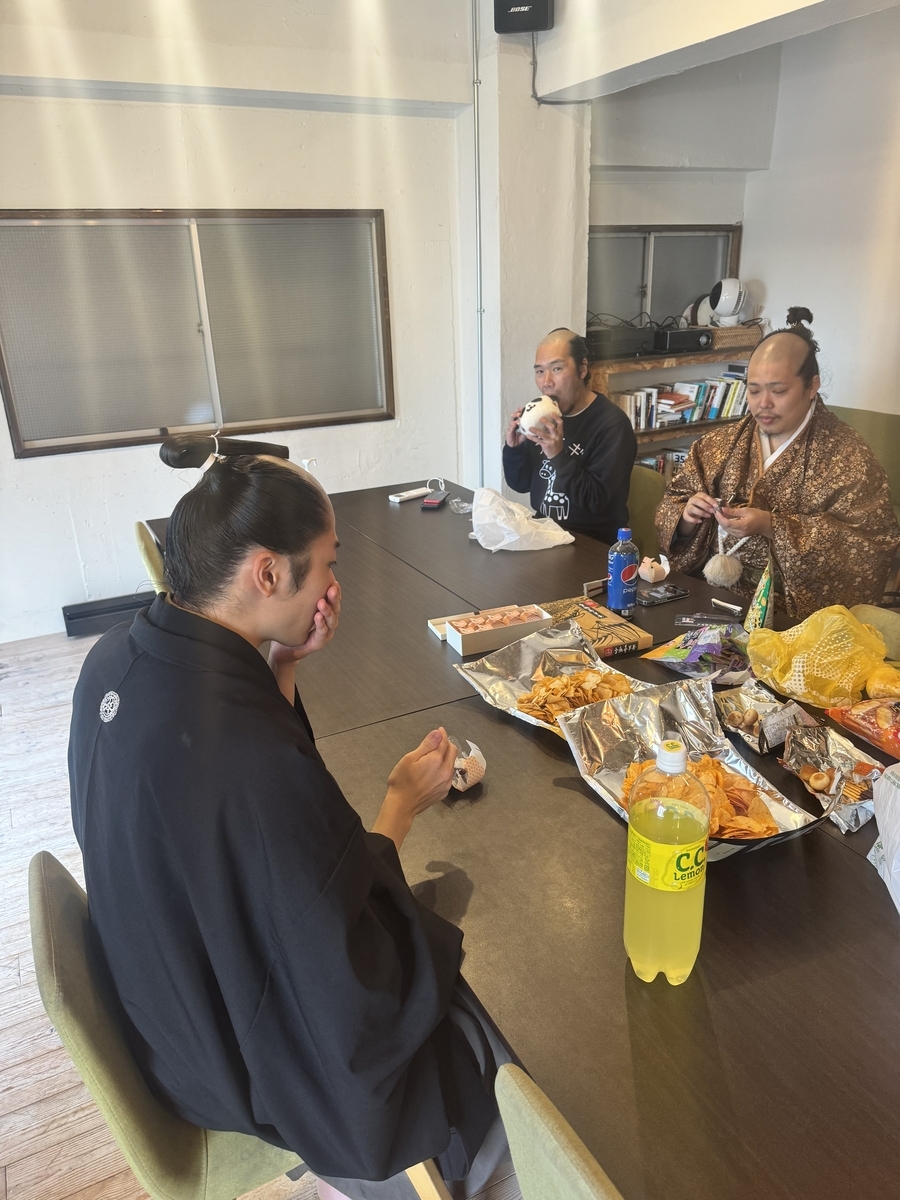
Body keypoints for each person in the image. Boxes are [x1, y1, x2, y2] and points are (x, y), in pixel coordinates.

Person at [69, 448, 518, 1200]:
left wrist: (282, 663)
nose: (336, 587)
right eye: (328, 565)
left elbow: (244, 839)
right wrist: (400, 805)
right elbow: (340, 949)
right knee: (475, 1027)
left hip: (166, 991)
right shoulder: (247, 758)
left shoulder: (113, 657)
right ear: (268, 573)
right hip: (224, 1057)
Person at [655, 307, 900, 619]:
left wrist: (773, 526)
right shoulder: (717, 445)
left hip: (792, 617)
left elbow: (870, 547)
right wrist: (688, 517)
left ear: (812, 386)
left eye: (778, 391)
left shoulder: (849, 457)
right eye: (754, 390)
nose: (763, 404)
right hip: (710, 596)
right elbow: (672, 504)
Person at [502, 328, 636, 543]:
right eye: (539, 371)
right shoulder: (544, 417)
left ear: (582, 369)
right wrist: (514, 449)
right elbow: (521, 484)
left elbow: (595, 502)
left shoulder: (613, 425)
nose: (546, 382)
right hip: (544, 530)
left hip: (591, 542)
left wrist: (557, 455)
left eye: (557, 369)